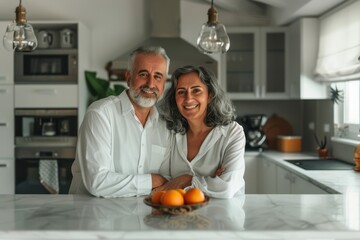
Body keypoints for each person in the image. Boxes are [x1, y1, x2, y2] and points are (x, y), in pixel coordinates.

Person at [69, 46, 171, 197]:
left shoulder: (165, 125)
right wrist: (152, 181)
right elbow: (97, 182)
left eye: (158, 76)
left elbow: (169, 178)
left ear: (163, 83)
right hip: (93, 216)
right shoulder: (101, 114)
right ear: (129, 78)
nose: (150, 84)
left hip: (143, 215)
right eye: (143, 74)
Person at [156, 65, 246, 198]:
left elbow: (227, 187)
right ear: (174, 99)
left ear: (210, 95)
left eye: (196, 90)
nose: (188, 98)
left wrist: (185, 180)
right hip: (178, 216)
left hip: (224, 215)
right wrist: (210, 182)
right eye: (181, 92)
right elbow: (164, 182)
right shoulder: (171, 133)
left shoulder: (232, 133)